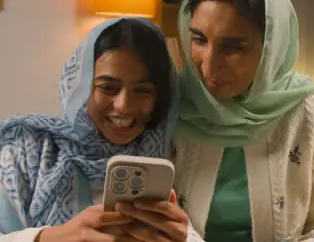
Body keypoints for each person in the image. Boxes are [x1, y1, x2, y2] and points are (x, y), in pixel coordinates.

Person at [170, 0, 314, 241]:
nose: (209, 67)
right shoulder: (169, 106)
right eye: (199, 39)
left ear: (271, 44)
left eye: (233, 47)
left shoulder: (307, 112)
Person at [0, 18, 191, 242]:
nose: (123, 105)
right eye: (108, 88)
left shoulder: (170, 157)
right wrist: (48, 237)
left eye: (142, 91)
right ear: (79, 88)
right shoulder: (25, 150)